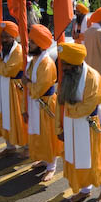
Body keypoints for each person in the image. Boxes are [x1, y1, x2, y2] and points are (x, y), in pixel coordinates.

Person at [56, 42, 101, 202]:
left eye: (66, 64)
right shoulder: (68, 75)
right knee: (76, 159)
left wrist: (70, 110)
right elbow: (60, 103)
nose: (63, 67)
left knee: (92, 159)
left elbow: (89, 105)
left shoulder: (92, 77)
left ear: (75, 63)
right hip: (70, 125)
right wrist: (59, 127)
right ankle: (85, 190)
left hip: (87, 126)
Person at [22, 25, 63, 181]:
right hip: (36, 103)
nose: (29, 44)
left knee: (48, 135)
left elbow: (39, 88)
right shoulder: (34, 60)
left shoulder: (46, 63)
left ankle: (51, 166)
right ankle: (44, 159)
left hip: (45, 104)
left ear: (39, 44)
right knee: (38, 133)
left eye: (32, 42)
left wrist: (27, 83)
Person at [0, 21, 28, 157]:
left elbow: (8, 71)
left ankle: (27, 146)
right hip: (4, 87)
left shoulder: (18, 50)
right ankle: (10, 146)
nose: (4, 40)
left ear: (14, 37)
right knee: (4, 116)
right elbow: (0, 72)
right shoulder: (4, 50)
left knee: (18, 118)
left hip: (15, 90)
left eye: (7, 36)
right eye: (2, 37)